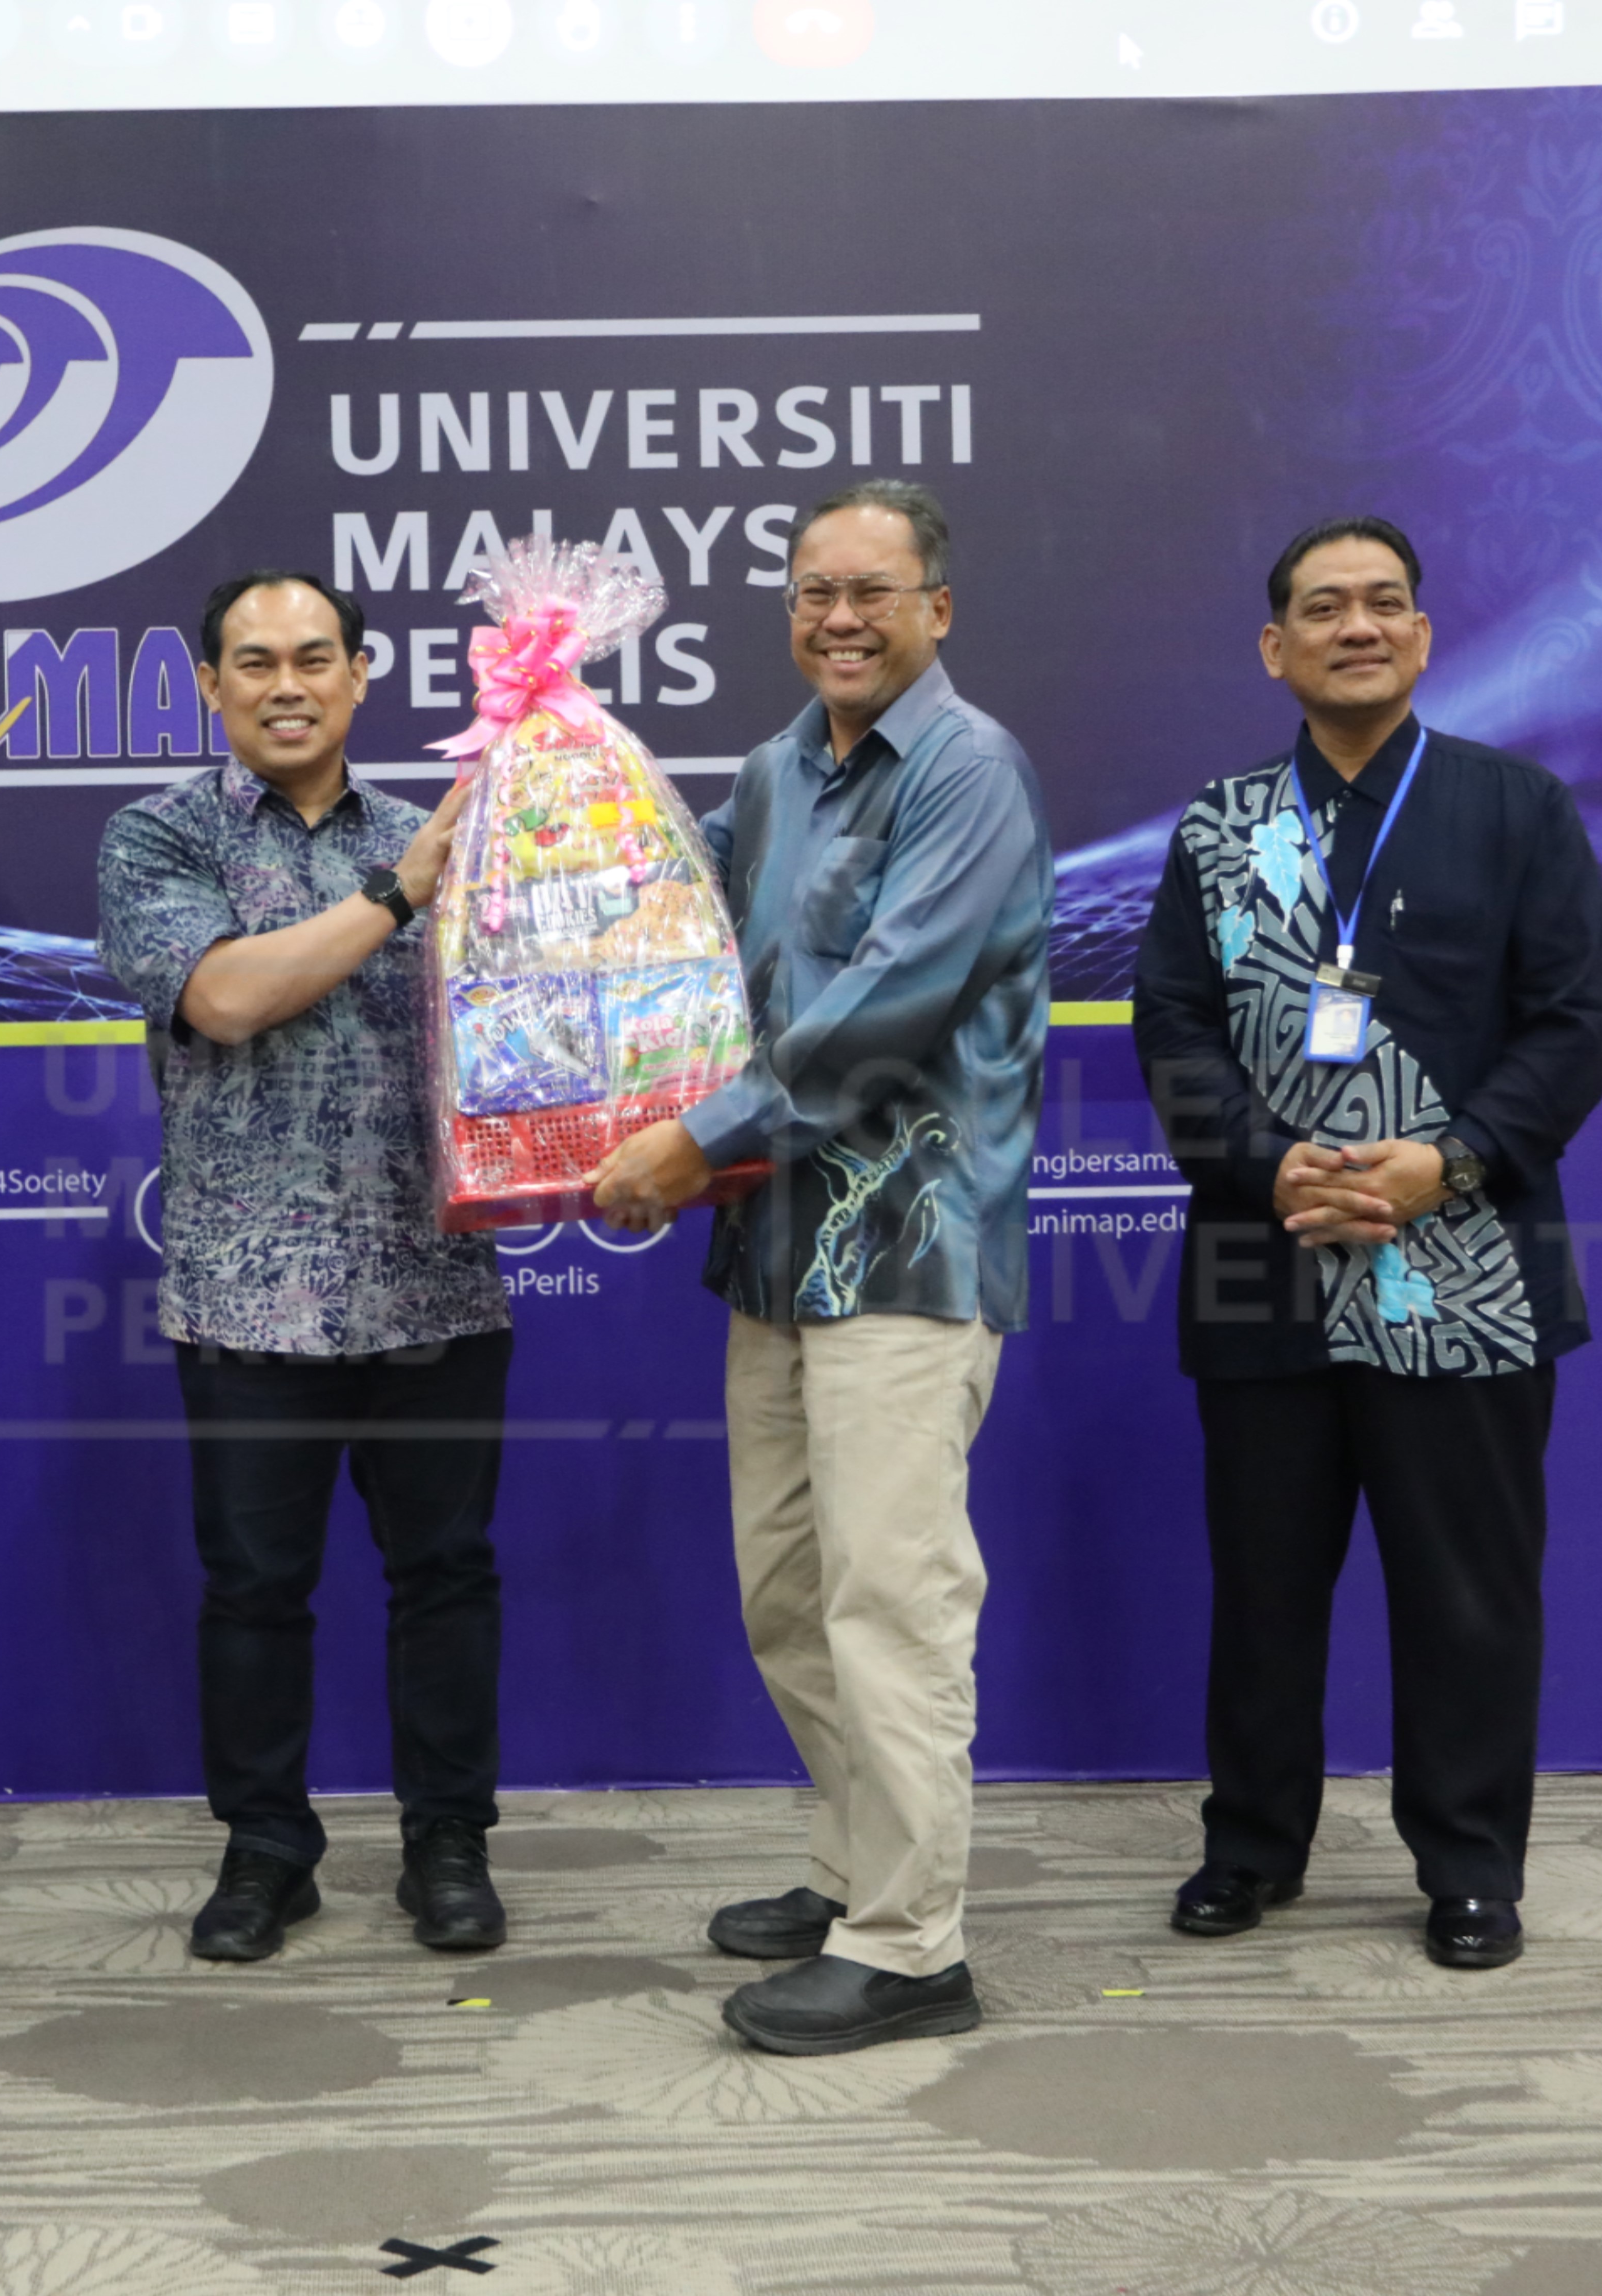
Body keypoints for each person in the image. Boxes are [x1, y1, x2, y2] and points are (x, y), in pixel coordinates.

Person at [590, 480, 1053, 2054]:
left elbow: (884, 1013)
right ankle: (861, 1868)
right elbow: (661, 922)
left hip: (912, 1249)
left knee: (891, 1597)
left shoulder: (971, 772)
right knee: (790, 1592)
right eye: (813, 592)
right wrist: (547, 795)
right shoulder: (774, 772)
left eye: (873, 591)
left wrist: (689, 1139)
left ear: (937, 608)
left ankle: (913, 1945)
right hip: (777, 1250)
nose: (840, 619)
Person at [1132, 517, 1602, 1972]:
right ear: (1274, 647)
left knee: (1469, 1592)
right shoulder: (1221, 828)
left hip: (1466, 1267)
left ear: (1422, 635)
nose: (1360, 626)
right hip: (1264, 1257)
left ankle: (1469, 1865)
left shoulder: (1516, 809)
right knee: (1264, 1586)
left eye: (1386, 603)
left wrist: (1445, 1163)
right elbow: (1173, 1026)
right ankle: (1251, 1847)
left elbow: (1572, 1027)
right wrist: (1271, 1165)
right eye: (1327, 607)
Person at [95, 569, 514, 1964]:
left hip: (434, 1282)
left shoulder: (446, 834)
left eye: (316, 658)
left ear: (361, 675)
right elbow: (223, 997)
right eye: (257, 661)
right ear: (210, 684)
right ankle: (268, 1848)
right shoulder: (161, 839)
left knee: (446, 1579)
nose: (288, 685)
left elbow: (536, 1027)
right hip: (246, 1292)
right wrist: (400, 897)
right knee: (256, 1592)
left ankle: (448, 1843)